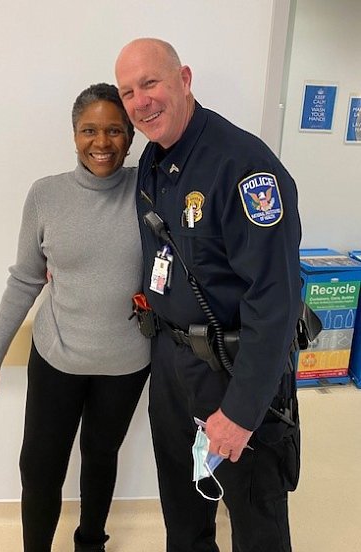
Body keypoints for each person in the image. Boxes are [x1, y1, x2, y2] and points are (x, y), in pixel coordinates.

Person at [115, 38, 302, 552]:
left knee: (256, 525)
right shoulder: (153, 160)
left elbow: (276, 299)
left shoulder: (243, 167)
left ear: (185, 79)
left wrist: (241, 412)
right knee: (183, 518)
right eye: (128, 92)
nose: (140, 102)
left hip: (236, 370)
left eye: (150, 83)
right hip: (174, 369)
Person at [0, 83, 150, 552]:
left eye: (114, 130)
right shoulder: (45, 195)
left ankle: (91, 542)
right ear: (74, 135)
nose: (101, 142)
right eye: (89, 130)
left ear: (130, 137)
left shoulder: (150, 190)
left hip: (126, 361)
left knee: (100, 456)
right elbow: (26, 279)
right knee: (40, 466)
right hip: (56, 356)